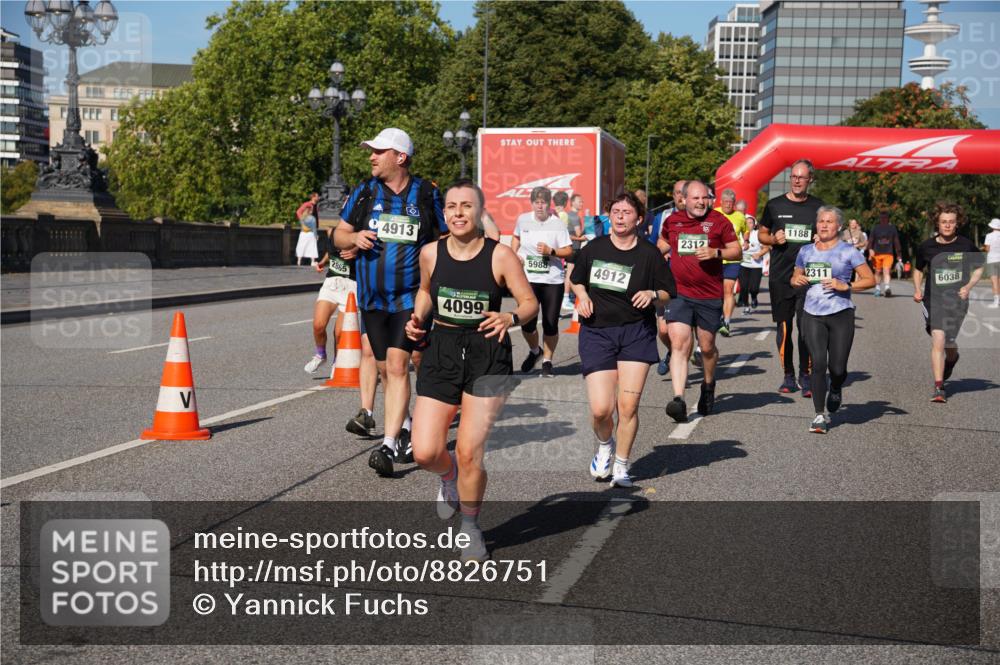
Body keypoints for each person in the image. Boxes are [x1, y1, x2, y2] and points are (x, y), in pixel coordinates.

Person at [407, 179, 538, 562]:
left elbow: (530, 303)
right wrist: (418, 318)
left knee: (468, 452)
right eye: (451, 206)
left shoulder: (500, 256)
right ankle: (448, 479)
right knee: (425, 451)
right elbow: (426, 292)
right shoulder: (430, 253)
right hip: (442, 349)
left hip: (487, 353)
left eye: (467, 206)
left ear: (480, 212)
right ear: (444, 212)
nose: (458, 212)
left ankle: (470, 526)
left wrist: (510, 316)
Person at [334, 127, 447, 476]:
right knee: (384, 369)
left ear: (400, 157)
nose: (371, 156)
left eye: (378, 151)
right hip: (371, 298)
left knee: (398, 367)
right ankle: (408, 427)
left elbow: (443, 239)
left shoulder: (426, 194)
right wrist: (354, 236)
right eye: (371, 150)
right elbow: (338, 233)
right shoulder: (365, 192)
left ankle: (388, 444)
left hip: (409, 297)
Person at [570, 192, 672, 487]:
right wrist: (583, 296)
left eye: (627, 212)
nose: (620, 216)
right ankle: (605, 445)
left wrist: (652, 295)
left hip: (636, 333)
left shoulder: (649, 254)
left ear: (639, 219)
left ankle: (622, 466)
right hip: (597, 331)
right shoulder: (595, 248)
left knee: (627, 407)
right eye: (616, 211)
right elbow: (576, 278)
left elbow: (667, 291)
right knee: (601, 408)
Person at [659, 180, 741, 422]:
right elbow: (663, 242)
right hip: (679, 293)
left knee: (706, 348)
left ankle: (708, 383)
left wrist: (717, 253)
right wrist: (656, 255)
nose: (700, 202)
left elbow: (737, 251)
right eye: (695, 198)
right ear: (684, 199)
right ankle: (678, 399)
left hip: (708, 295)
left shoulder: (719, 221)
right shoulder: (673, 221)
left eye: (704, 198)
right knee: (679, 344)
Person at [791, 206, 875, 433]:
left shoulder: (849, 251)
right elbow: (795, 275)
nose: (824, 225)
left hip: (841, 313)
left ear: (839, 226)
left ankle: (836, 387)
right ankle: (819, 415)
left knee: (837, 368)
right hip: (812, 313)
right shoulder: (806, 250)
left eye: (829, 221)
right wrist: (796, 280)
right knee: (818, 363)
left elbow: (870, 280)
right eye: (821, 221)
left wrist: (845, 285)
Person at [758, 158, 824, 396]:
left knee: (805, 328)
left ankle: (806, 375)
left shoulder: (818, 207)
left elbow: (828, 235)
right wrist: (773, 239)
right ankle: (788, 375)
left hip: (808, 276)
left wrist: (821, 239)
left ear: (810, 180)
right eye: (793, 176)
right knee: (784, 329)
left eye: (801, 177)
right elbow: (761, 234)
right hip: (780, 275)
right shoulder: (775, 205)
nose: (797, 181)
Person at [912, 202, 985, 403]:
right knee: (938, 339)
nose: (947, 225)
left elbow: (979, 267)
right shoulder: (927, 246)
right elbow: (918, 269)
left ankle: (952, 359)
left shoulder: (966, 245)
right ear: (937, 223)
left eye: (951, 222)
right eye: (943, 222)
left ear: (957, 224)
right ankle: (939, 387)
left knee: (949, 344)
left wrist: (968, 286)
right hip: (933, 300)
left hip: (957, 302)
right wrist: (917, 289)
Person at [511, 186, 573, 378]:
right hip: (528, 279)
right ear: (531, 203)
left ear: (549, 204)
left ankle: (547, 360)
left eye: (543, 202)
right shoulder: (523, 219)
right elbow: (516, 237)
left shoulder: (557, 224)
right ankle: (534, 351)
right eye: (536, 202)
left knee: (550, 323)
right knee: (526, 322)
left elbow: (568, 251)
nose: (540, 206)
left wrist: (551, 251)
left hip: (551, 280)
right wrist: (515, 255)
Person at [304, 228, 358, 374]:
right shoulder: (332, 232)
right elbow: (330, 250)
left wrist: (356, 251)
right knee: (318, 325)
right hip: (331, 283)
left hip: (351, 286)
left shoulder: (361, 234)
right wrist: (322, 262)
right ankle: (321, 355)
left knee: (340, 332)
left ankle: (337, 362)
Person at [654, 179, 686, 375]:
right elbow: (652, 247)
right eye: (677, 193)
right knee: (664, 330)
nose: (681, 197)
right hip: (666, 279)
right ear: (673, 197)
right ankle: (672, 352)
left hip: (691, 283)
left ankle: (680, 362)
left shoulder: (704, 218)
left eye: (685, 192)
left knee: (683, 330)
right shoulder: (663, 217)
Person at [713, 188, 750, 336]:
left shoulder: (740, 216)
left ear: (734, 203)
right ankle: (717, 316)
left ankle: (726, 322)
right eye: (725, 202)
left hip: (733, 258)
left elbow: (746, 229)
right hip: (715, 258)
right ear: (721, 202)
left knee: (728, 289)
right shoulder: (714, 213)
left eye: (730, 202)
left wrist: (745, 240)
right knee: (717, 292)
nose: (728, 205)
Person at [737, 213, 768, 314]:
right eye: (746, 223)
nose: (748, 224)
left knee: (754, 288)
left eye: (750, 222)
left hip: (756, 265)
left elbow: (766, 248)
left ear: (754, 224)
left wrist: (759, 254)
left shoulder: (758, 234)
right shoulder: (739, 235)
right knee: (744, 287)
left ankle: (754, 297)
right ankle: (746, 306)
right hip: (743, 265)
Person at [866, 212, 901, 297]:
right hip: (877, 253)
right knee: (877, 272)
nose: (883, 219)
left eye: (885, 218)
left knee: (886, 270)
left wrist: (899, 254)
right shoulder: (876, 228)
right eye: (882, 218)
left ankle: (887, 288)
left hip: (888, 253)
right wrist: (870, 249)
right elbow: (871, 240)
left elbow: (896, 241)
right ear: (880, 219)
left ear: (888, 219)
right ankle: (877, 288)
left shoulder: (892, 228)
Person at [295, 192, 320, 266]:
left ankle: (308, 261)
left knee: (311, 245)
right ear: (313, 197)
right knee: (306, 244)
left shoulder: (315, 205)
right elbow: (298, 212)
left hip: (311, 228)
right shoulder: (307, 204)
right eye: (317, 196)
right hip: (309, 229)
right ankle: (301, 261)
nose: (318, 198)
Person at [983, 217, 1000, 308]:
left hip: (992, 260)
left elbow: (987, 249)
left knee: (994, 281)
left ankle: (996, 302)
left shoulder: (989, 236)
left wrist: (984, 248)